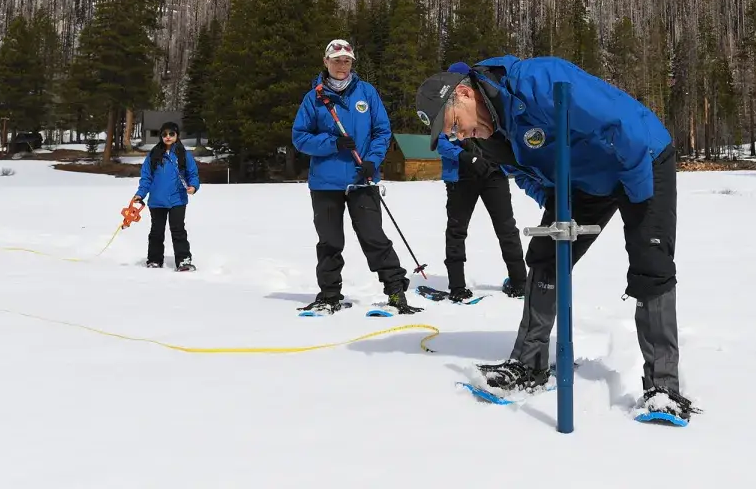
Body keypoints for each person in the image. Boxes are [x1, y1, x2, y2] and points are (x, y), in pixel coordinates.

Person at [415, 55, 694, 421]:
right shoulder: (488, 137)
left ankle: (663, 388)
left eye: (454, 124)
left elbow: (619, 124)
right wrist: (554, 202)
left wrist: (639, 201)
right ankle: (528, 364)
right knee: (546, 254)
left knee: (650, 262)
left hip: (641, 159)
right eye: (450, 134)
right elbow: (524, 172)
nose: (458, 136)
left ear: (465, 94)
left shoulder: (538, 81)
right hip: (584, 180)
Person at [291, 39, 421, 315]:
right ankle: (329, 295)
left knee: (374, 237)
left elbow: (382, 131)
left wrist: (373, 161)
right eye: (336, 60)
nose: (342, 65)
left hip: (362, 179)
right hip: (326, 183)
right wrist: (333, 143)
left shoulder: (367, 92)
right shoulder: (314, 98)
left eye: (346, 61)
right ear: (326, 62)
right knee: (330, 242)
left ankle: (395, 291)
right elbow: (300, 137)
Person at [435, 61, 527, 302]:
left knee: (506, 228)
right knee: (456, 230)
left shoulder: (489, 106)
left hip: (494, 173)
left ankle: (520, 282)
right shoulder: (446, 108)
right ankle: (457, 286)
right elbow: (440, 142)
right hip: (460, 176)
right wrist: (464, 156)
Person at [131, 121, 200, 271]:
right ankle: (154, 260)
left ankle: (183, 261)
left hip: (178, 199)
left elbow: (193, 174)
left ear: (177, 135)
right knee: (156, 231)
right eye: (164, 134)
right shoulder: (153, 155)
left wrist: (193, 186)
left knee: (178, 230)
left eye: (171, 134)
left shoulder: (184, 155)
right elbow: (146, 177)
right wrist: (140, 194)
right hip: (157, 200)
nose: (168, 137)